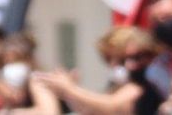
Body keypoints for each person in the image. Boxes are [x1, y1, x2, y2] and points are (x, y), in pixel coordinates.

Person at [36, 26, 164, 115]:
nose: (129, 65)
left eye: (136, 57)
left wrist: (69, 89)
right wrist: (67, 92)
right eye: (117, 60)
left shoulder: (144, 85)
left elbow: (111, 108)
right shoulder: (120, 85)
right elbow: (90, 109)